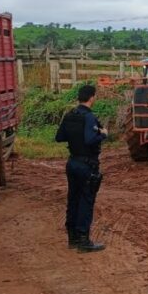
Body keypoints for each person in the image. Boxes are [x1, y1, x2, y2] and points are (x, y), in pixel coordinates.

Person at [55, 84, 107, 252]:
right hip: (87, 165)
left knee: (73, 200)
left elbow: (59, 137)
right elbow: (90, 139)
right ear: (92, 97)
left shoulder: (69, 115)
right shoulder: (89, 117)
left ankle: (73, 239)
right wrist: (103, 134)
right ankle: (84, 240)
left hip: (72, 163)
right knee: (86, 201)